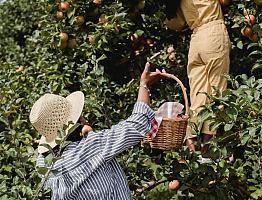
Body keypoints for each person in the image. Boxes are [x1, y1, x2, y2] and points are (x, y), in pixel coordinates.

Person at [29, 63, 163, 199]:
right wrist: (144, 85)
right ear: (76, 121)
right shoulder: (93, 146)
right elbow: (137, 124)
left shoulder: (43, 164)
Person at [165, 0, 231, 153]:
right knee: (217, 91)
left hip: (196, 41)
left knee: (197, 95)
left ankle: (191, 146)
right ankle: (208, 150)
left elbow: (176, 24)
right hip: (214, 32)